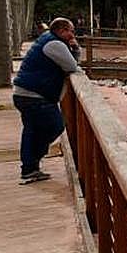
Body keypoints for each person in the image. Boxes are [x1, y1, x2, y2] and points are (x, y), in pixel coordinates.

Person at [12, 17, 82, 184]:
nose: (73, 34)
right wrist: (76, 47)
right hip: (34, 96)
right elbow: (72, 66)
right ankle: (33, 160)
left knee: (32, 130)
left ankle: (30, 167)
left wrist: (73, 48)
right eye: (71, 31)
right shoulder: (54, 44)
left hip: (24, 93)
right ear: (61, 31)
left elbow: (69, 63)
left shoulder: (46, 39)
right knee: (55, 126)